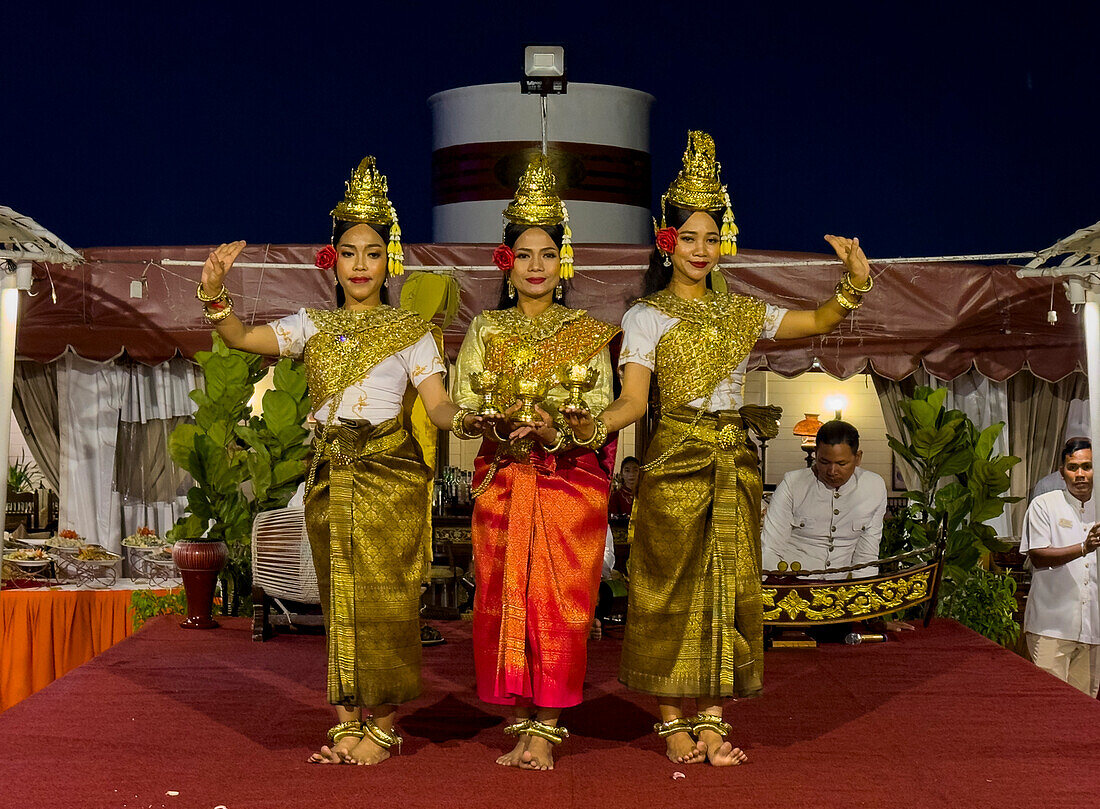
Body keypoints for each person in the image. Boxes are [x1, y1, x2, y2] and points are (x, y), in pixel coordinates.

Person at [575, 131, 877, 766]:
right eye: (689, 238)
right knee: (665, 589)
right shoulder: (645, 316)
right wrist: (586, 426)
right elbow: (633, 404)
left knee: (725, 586)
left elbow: (817, 321)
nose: (701, 250)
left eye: (712, 238)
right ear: (667, 240)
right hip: (673, 463)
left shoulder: (741, 313)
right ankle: (669, 716)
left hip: (732, 462)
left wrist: (853, 285)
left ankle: (712, 716)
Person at [196, 156, 467, 765]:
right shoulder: (311, 326)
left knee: (389, 600)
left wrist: (473, 418)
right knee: (337, 598)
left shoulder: (412, 332)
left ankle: (386, 725)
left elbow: (441, 407)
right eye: (350, 252)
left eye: (373, 253)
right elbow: (241, 338)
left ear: (387, 261)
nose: (362, 265)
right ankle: (346, 723)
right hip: (331, 478)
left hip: (392, 477)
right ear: (333, 259)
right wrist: (215, 294)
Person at [452, 154, 618, 770]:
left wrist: (558, 427)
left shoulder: (587, 332)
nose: (537, 267)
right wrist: (488, 421)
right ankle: (520, 715)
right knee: (502, 597)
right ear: (506, 261)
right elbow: (465, 401)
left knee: (558, 603)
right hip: (503, 481)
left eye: (548, 254)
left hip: (566, 483)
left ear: (563, 261)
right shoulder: (485, 330)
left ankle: (548, 725)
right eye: (524, 254)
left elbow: (599, 409)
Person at [1019, 437, 1100, 697]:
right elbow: (1039, 556)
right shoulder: (1045, 505)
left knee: (1085, 710)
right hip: (1051, 626)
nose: (1080, 475)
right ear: (1061, 471)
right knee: (1049, 707)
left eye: (1086, 467)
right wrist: (1083, 548)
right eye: (1073, 467)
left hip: (1093, 631)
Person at [761, 420, 886, 580]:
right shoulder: (793, 484)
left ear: (858, 457)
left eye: (842, 463)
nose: (832, 471)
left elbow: (867, 556)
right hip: (792, 586)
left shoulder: (874, 487)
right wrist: (772, 591)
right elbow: (770, 548)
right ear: (815, 453)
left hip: (837, 590)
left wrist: (863, 596)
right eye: (824, 462)